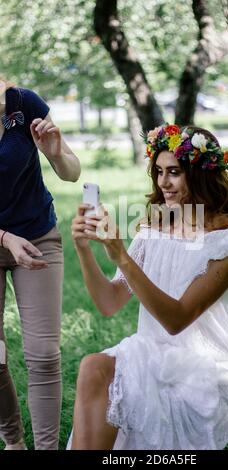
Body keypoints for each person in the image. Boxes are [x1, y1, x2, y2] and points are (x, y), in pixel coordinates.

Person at [69, 124, 228, 450]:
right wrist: (83, 248)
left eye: (175, 173)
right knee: (93, 367)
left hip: (209, 369)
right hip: (150, 354)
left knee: (98, 370)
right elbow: (110, 302)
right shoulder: (155, 230)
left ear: (201, 174)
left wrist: (122, 255)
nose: (164, 183)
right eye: (159, 172)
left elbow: (178, 319)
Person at [0, 76, 81, 450]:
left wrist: (55, 150)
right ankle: (13, 442)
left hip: (37, 236)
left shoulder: (24, 103)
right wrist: (4, 238)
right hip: (4, 238)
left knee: (44, 354)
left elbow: (71, 172)